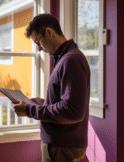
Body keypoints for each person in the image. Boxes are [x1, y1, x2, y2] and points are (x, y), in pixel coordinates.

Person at [13, 14, 90, 162]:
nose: (39, 49)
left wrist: (30, 110)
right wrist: (44, 102)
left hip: (62, 148)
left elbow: (73, 111)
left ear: (49, 32)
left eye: (38, 42)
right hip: (61, 146)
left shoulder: (71, 60)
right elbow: (67, 102)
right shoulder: (64, 59)